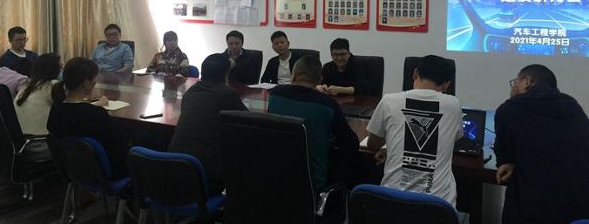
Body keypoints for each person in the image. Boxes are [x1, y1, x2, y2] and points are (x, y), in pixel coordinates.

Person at [494, 64, 589, 224]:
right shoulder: (573, 106)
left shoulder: (509, 109)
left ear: (526, 82)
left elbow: (505, 157)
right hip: (578, 209)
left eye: (515, 82)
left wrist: (506, 162)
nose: (513, 87)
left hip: (532, 209)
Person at [366, 55, 462, 206]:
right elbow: (453, 140)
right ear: (446, 84)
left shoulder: (389, 101)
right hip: (437, 208)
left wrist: (392, 149)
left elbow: (372, 145)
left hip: (391, 203)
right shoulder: (453, 105)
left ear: (415, 73)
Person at [268, 55, 359, 190]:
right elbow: (351, 144)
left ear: (294, 75)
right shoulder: (328, 104)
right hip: (311, 183)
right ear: (320, 80)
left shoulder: (276, 94)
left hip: (274, 176)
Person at [168, 53, 247, 195]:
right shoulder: (227, 94)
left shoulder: (190, 93)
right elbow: (247, 121)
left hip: (173, 172)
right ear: (225, 76)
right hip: (204, 179)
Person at [47, 57, 127, 179]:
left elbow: (76, 113)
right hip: (107, 173)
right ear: (86, 83)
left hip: (73, 170)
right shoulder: (96, 114)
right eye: (94, 79)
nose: (96, 82)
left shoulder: (56, 108)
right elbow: (121, 143)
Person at [14, 53, 62, 136]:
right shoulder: (53, 85)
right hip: (41, 139)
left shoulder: (26, 84)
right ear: (54, 70)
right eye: (60, 68)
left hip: (21, 138)